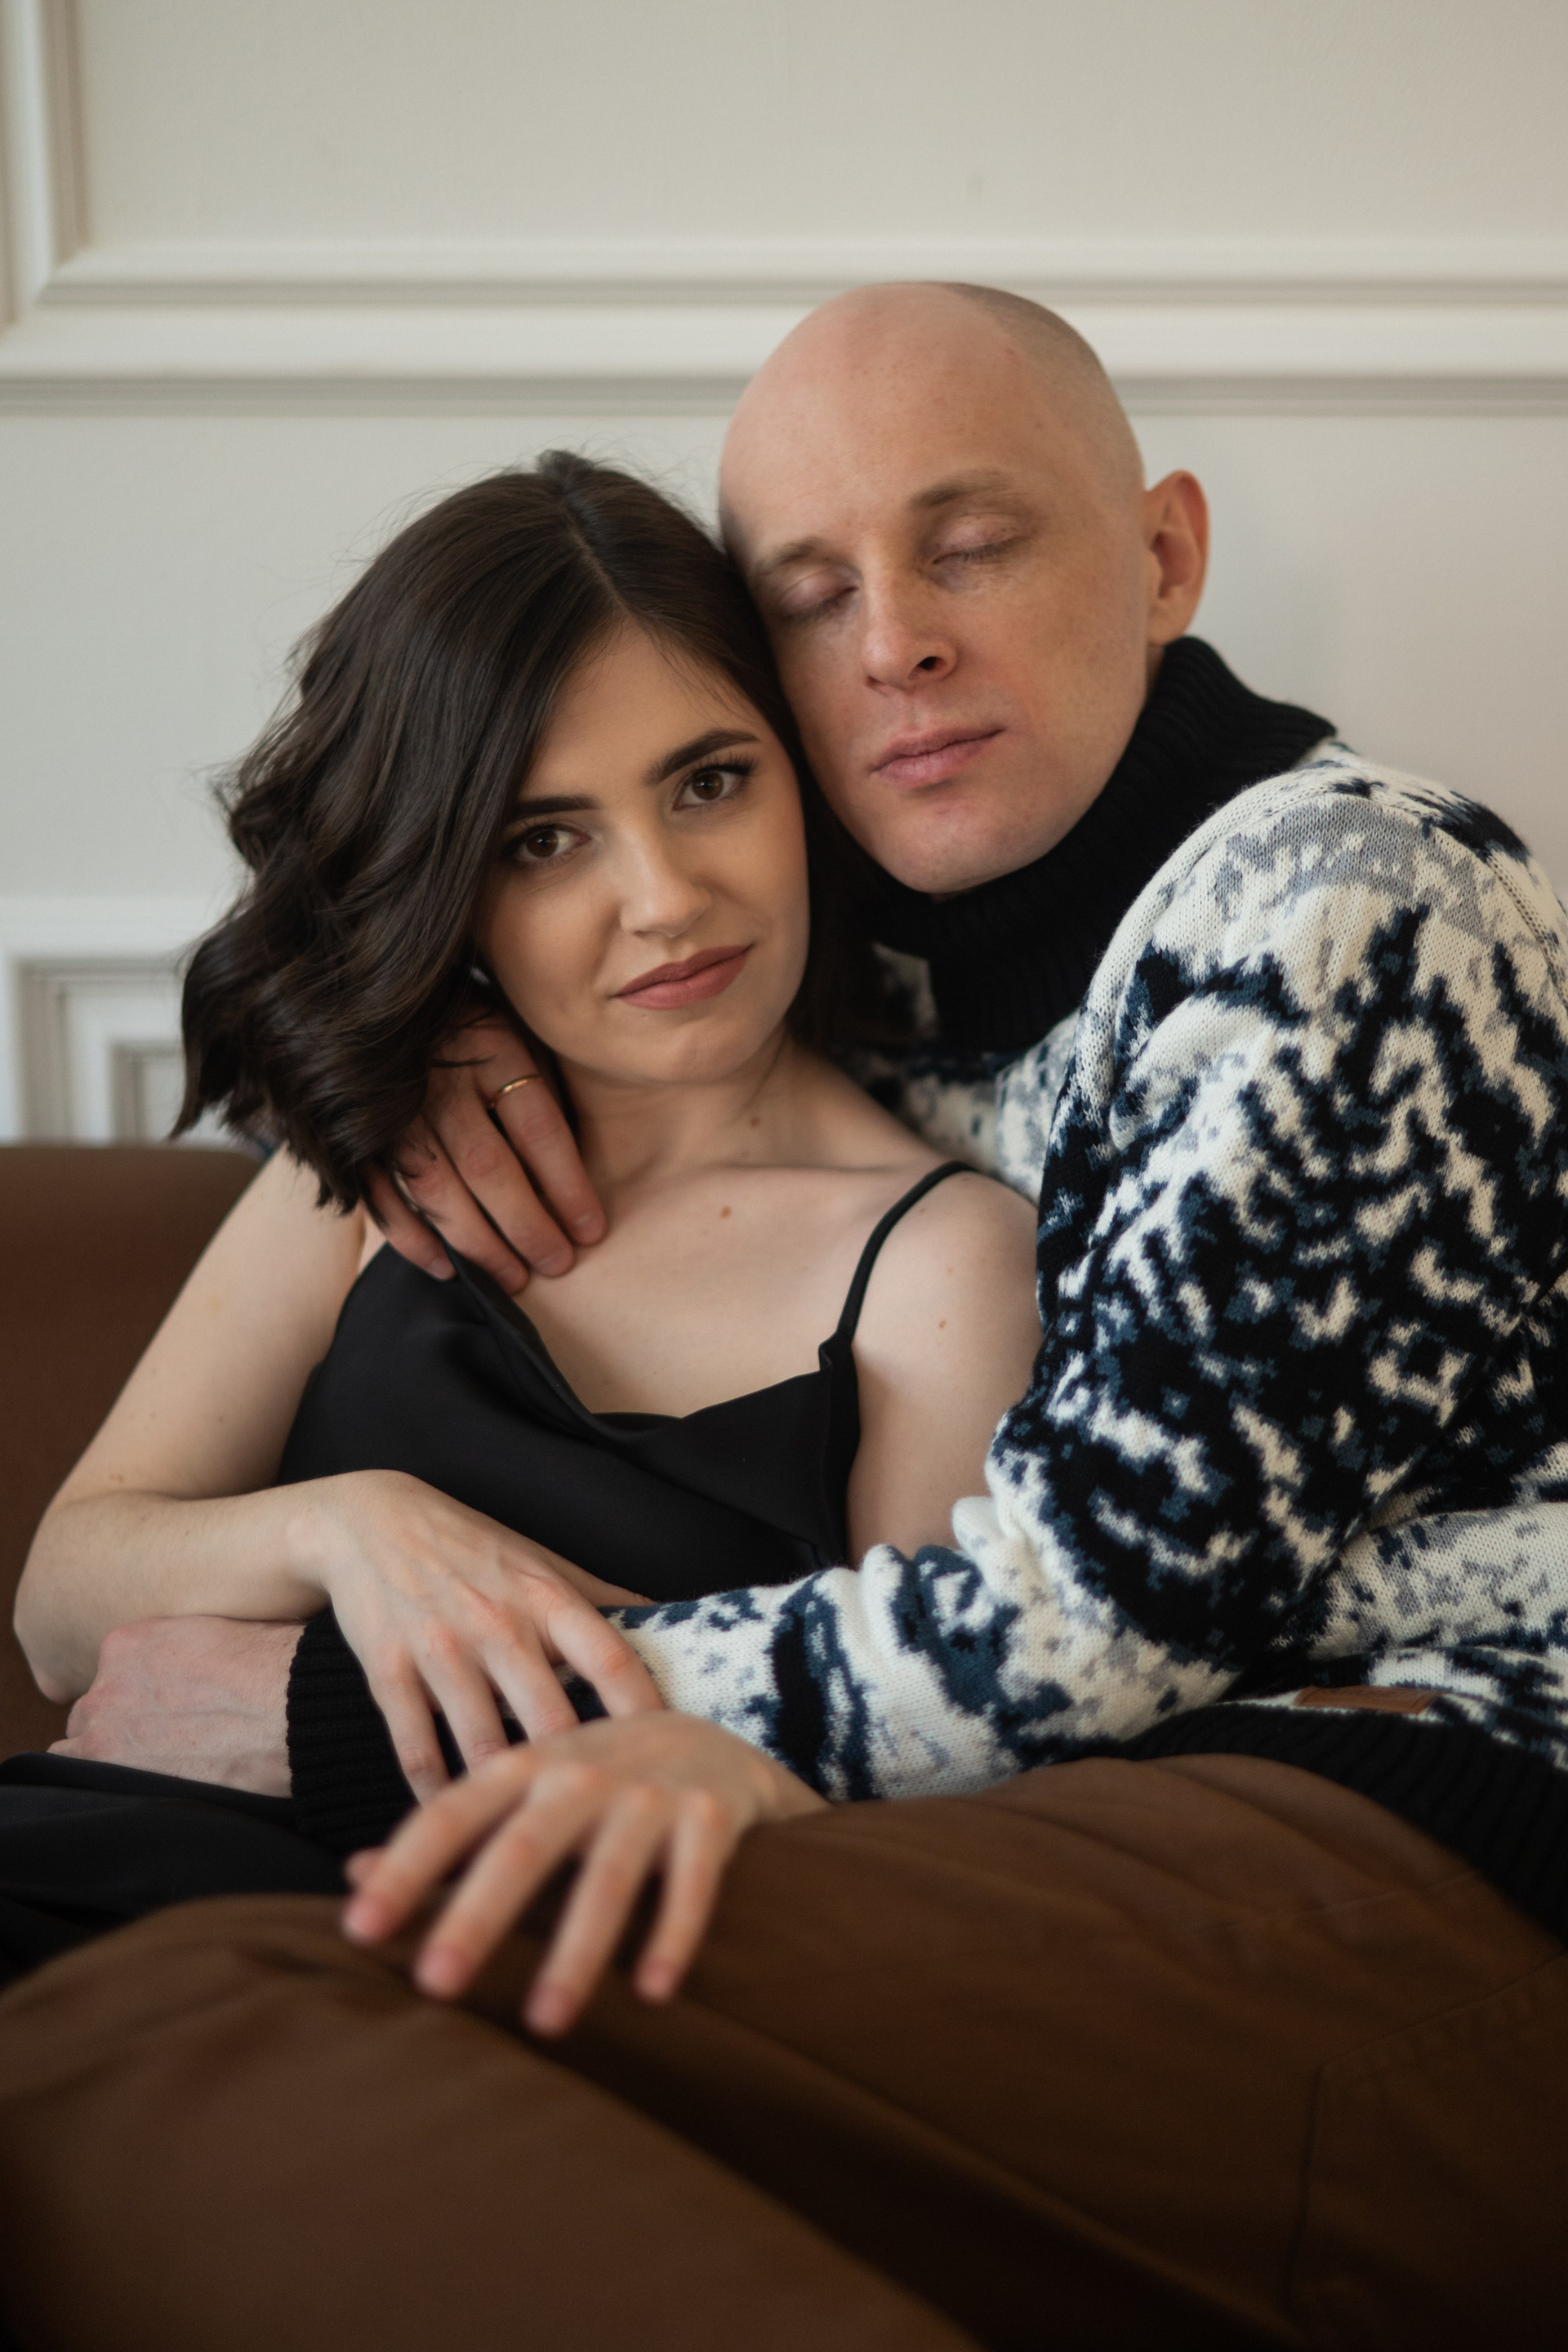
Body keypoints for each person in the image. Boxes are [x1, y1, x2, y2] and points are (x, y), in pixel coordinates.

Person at [11, 284, 1568, 2347]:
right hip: (1114, 1783)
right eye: (813, 597)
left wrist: (336, 1721)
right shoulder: (890, 966)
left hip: (1421, 1783)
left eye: (974, 543)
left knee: (254, 2022)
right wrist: (434, 1035)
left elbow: (1087, 1625)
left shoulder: (1338, 906)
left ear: (1164, 556)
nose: (893, 645)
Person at [7, 451, 1040, 2008]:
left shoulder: (941, 1267)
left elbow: (907, 1761)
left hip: (405, 1992)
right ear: (449, 879)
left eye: (710, 782)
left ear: (804, 773)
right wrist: (356, 1530)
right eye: (543, 839)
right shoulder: (379, 1155)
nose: (663, 897)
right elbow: (59, 1613)